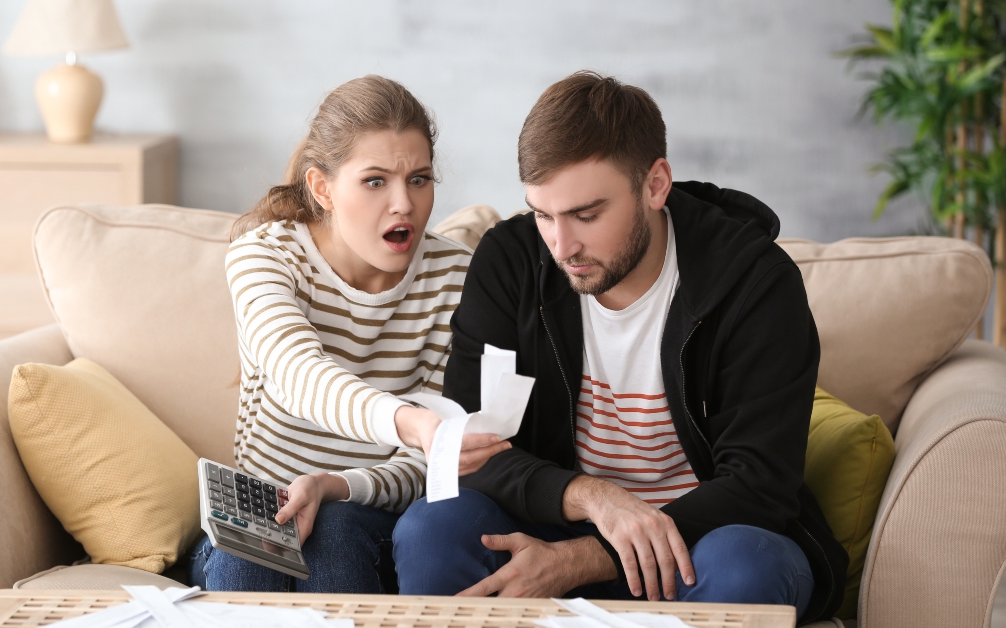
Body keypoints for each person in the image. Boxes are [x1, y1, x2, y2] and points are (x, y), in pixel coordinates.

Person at [392, 72, 848, 624]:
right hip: (557, 524)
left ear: (655, 185)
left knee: (747, 565)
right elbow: (468, 451)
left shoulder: (754, 282)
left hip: (701, 544)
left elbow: (760, 486)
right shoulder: (510, 262)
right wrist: (591, 497)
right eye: (543, 214)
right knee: (432, 529)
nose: (562, 246)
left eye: (586, 215)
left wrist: (585, 559)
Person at [188, 75, 509, 594]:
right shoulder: (264, 257)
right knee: (252, 557)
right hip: (262, 512)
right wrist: (410, 422)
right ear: (322, 188)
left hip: (367, 515)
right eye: (375, 181)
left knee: (335, 530)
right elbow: (298, 375)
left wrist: (336, 485)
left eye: (419, 179)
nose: (404, 204)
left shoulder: (456, 278)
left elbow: (423, 465)